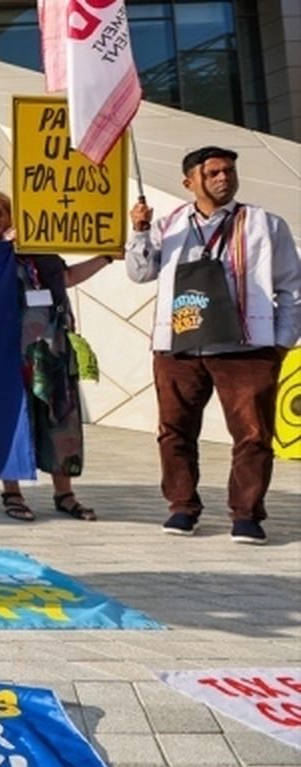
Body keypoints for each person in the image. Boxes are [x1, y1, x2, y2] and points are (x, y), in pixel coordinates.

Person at [125, 146, 300, 544]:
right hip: (179, 345)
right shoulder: (168, 224)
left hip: (244, 346)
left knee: (253, 434)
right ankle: (182, 507)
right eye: (214, 173)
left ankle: (246, 514)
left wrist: (281, 342)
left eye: (229, 171)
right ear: (190, 182)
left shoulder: (264, 224)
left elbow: (293, 287)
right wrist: (138, 230)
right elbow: (139, 273)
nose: (224, 178)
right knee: (174, 431)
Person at [0, 191, 111, 523]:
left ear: (10, 213)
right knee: (12, 418)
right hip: (7, 352)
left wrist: (106, 256)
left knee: (61, 418)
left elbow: (66, 278)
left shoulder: (39, 248)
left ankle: (64, 493)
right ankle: (12, 492)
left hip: (50, 347)